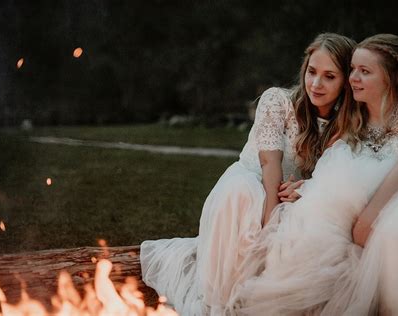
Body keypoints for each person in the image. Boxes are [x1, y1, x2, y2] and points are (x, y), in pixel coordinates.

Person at [231, 34, 398, 315]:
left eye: (365, 71)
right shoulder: (354, 114)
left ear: (391, 76)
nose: (353, 78)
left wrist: (368, 216)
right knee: (308, 228)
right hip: (359, 202)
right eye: (352, 70)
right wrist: (307, 187)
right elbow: (332, 164)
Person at [139, 32, 357, 315]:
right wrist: (270, 221)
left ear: (345, 82)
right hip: (254, 182)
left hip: (289, 193)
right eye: (312, 72)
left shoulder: (345, 123)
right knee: (244, 195)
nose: (316, 83)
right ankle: (225, 298)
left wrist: (306, 188)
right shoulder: (277, 100)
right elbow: (270, 163)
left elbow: (335, 173)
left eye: (330, 76)